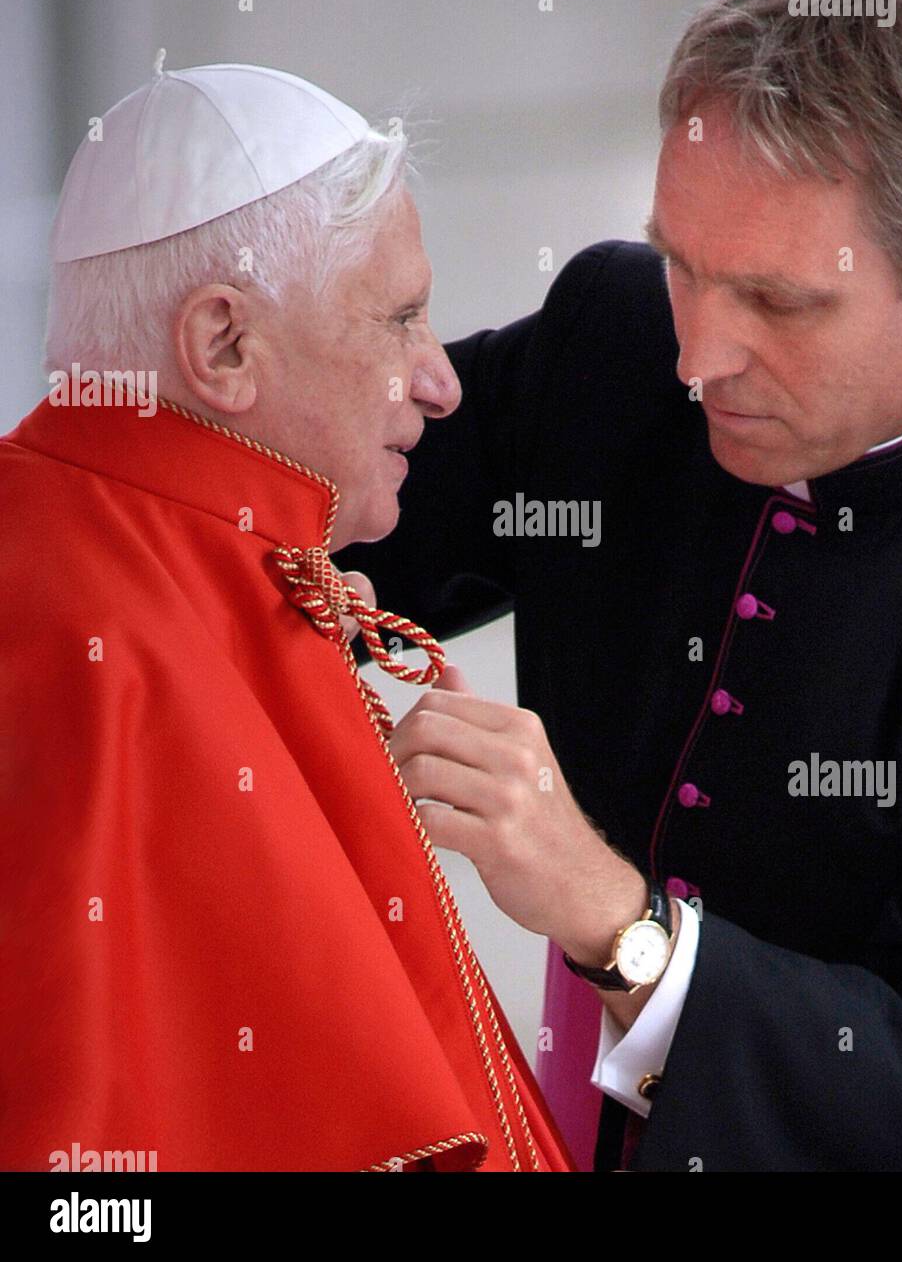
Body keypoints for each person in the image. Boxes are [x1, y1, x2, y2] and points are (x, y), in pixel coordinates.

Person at [343, 0, 902, 1171]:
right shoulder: (611, 339)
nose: (698, 360)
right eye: (682, 264)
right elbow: (299, 505)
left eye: (782, 303)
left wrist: (614, 922)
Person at [0, 59, 572, 1172]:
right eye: (400, 319)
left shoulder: (234, 565)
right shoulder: (76, 633)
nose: (438, 380)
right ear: (221, 346)